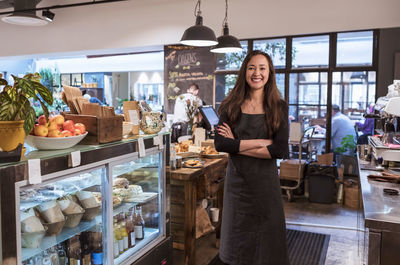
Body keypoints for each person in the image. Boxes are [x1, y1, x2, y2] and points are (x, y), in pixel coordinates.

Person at [214, 50, 290, 265]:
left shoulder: (279, 107)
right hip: (237, 189)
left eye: (262, 68)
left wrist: (236, 145)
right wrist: (262, 142)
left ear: (269, 73)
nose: (257, 73)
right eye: (251, 68)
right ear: (244, 72)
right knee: (236, 246)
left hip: (266, 188)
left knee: (268, 248)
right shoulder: (230, 106)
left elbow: (280, 150)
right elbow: (221, 144)